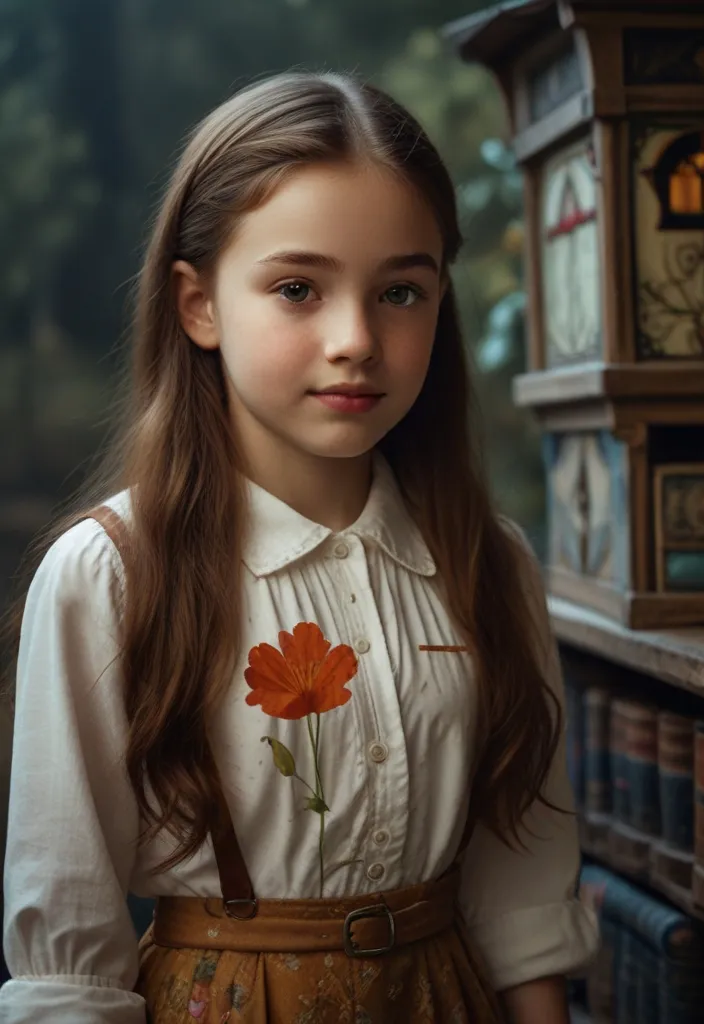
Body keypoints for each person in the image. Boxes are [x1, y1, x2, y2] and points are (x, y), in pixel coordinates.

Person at [0, 72, 598, 1023]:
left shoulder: (491, 564)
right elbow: (68, 952)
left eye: (401, 290)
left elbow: (521, 884)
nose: (356, 338)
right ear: (198, 305)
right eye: (297, 289)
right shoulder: (109, 575)